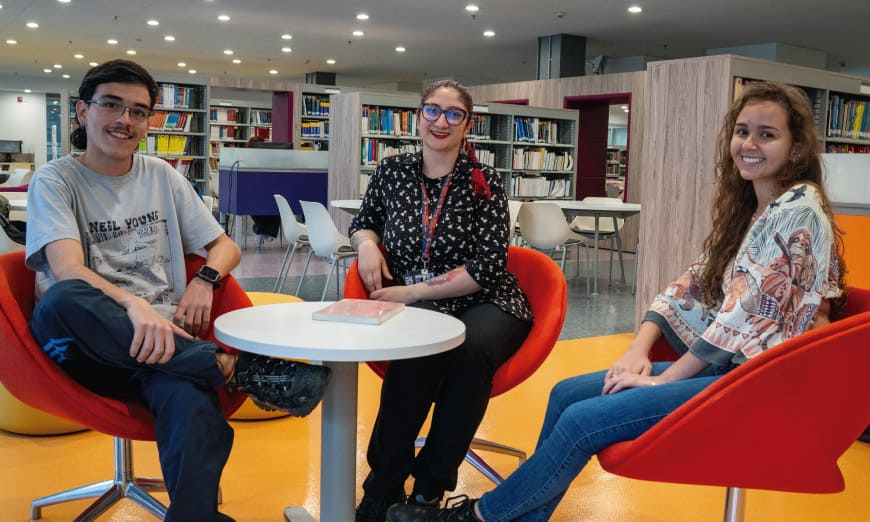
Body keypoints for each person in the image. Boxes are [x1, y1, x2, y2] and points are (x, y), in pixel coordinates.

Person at [386, 81, 847, 522]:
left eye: (767, 135)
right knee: (566, 393)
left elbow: (740, 319)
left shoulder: (797, 212)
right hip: (730, 368)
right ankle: (522, 517)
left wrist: (660, 384)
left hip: (759, 381)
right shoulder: (757, 207)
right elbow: (688, 285)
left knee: (584, 421)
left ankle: (483, 516)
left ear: (797, 148)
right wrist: (635, 352)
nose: (749, 143)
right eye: (743, 132)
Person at [25, 59, 329, 521]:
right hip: (89, 343)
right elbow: (67, 272)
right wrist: (133, 306)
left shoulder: (161, 175)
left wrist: (205, 280)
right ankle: (230, 365)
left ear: (149, 122)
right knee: (63, 302)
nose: (125, 120)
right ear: (83, 112)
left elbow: (224, 246)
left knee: (191, 404)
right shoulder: (56, 179)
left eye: (139, 111)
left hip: (166, 344)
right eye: (112, 105)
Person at [349, 80, 534, 521]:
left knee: (471, 351)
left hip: (485, 299)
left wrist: (412, 291)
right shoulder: (392, 171)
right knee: (420, 350)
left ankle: (429, 491)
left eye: (454, 114)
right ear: (418, 116)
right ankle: (383, 487)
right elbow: (364, 221)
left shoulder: (483, 180)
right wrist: (366, 245)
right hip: (423, 305)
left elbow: (488, 267)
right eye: (433, 110)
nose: (440, 122)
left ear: (467, 125)